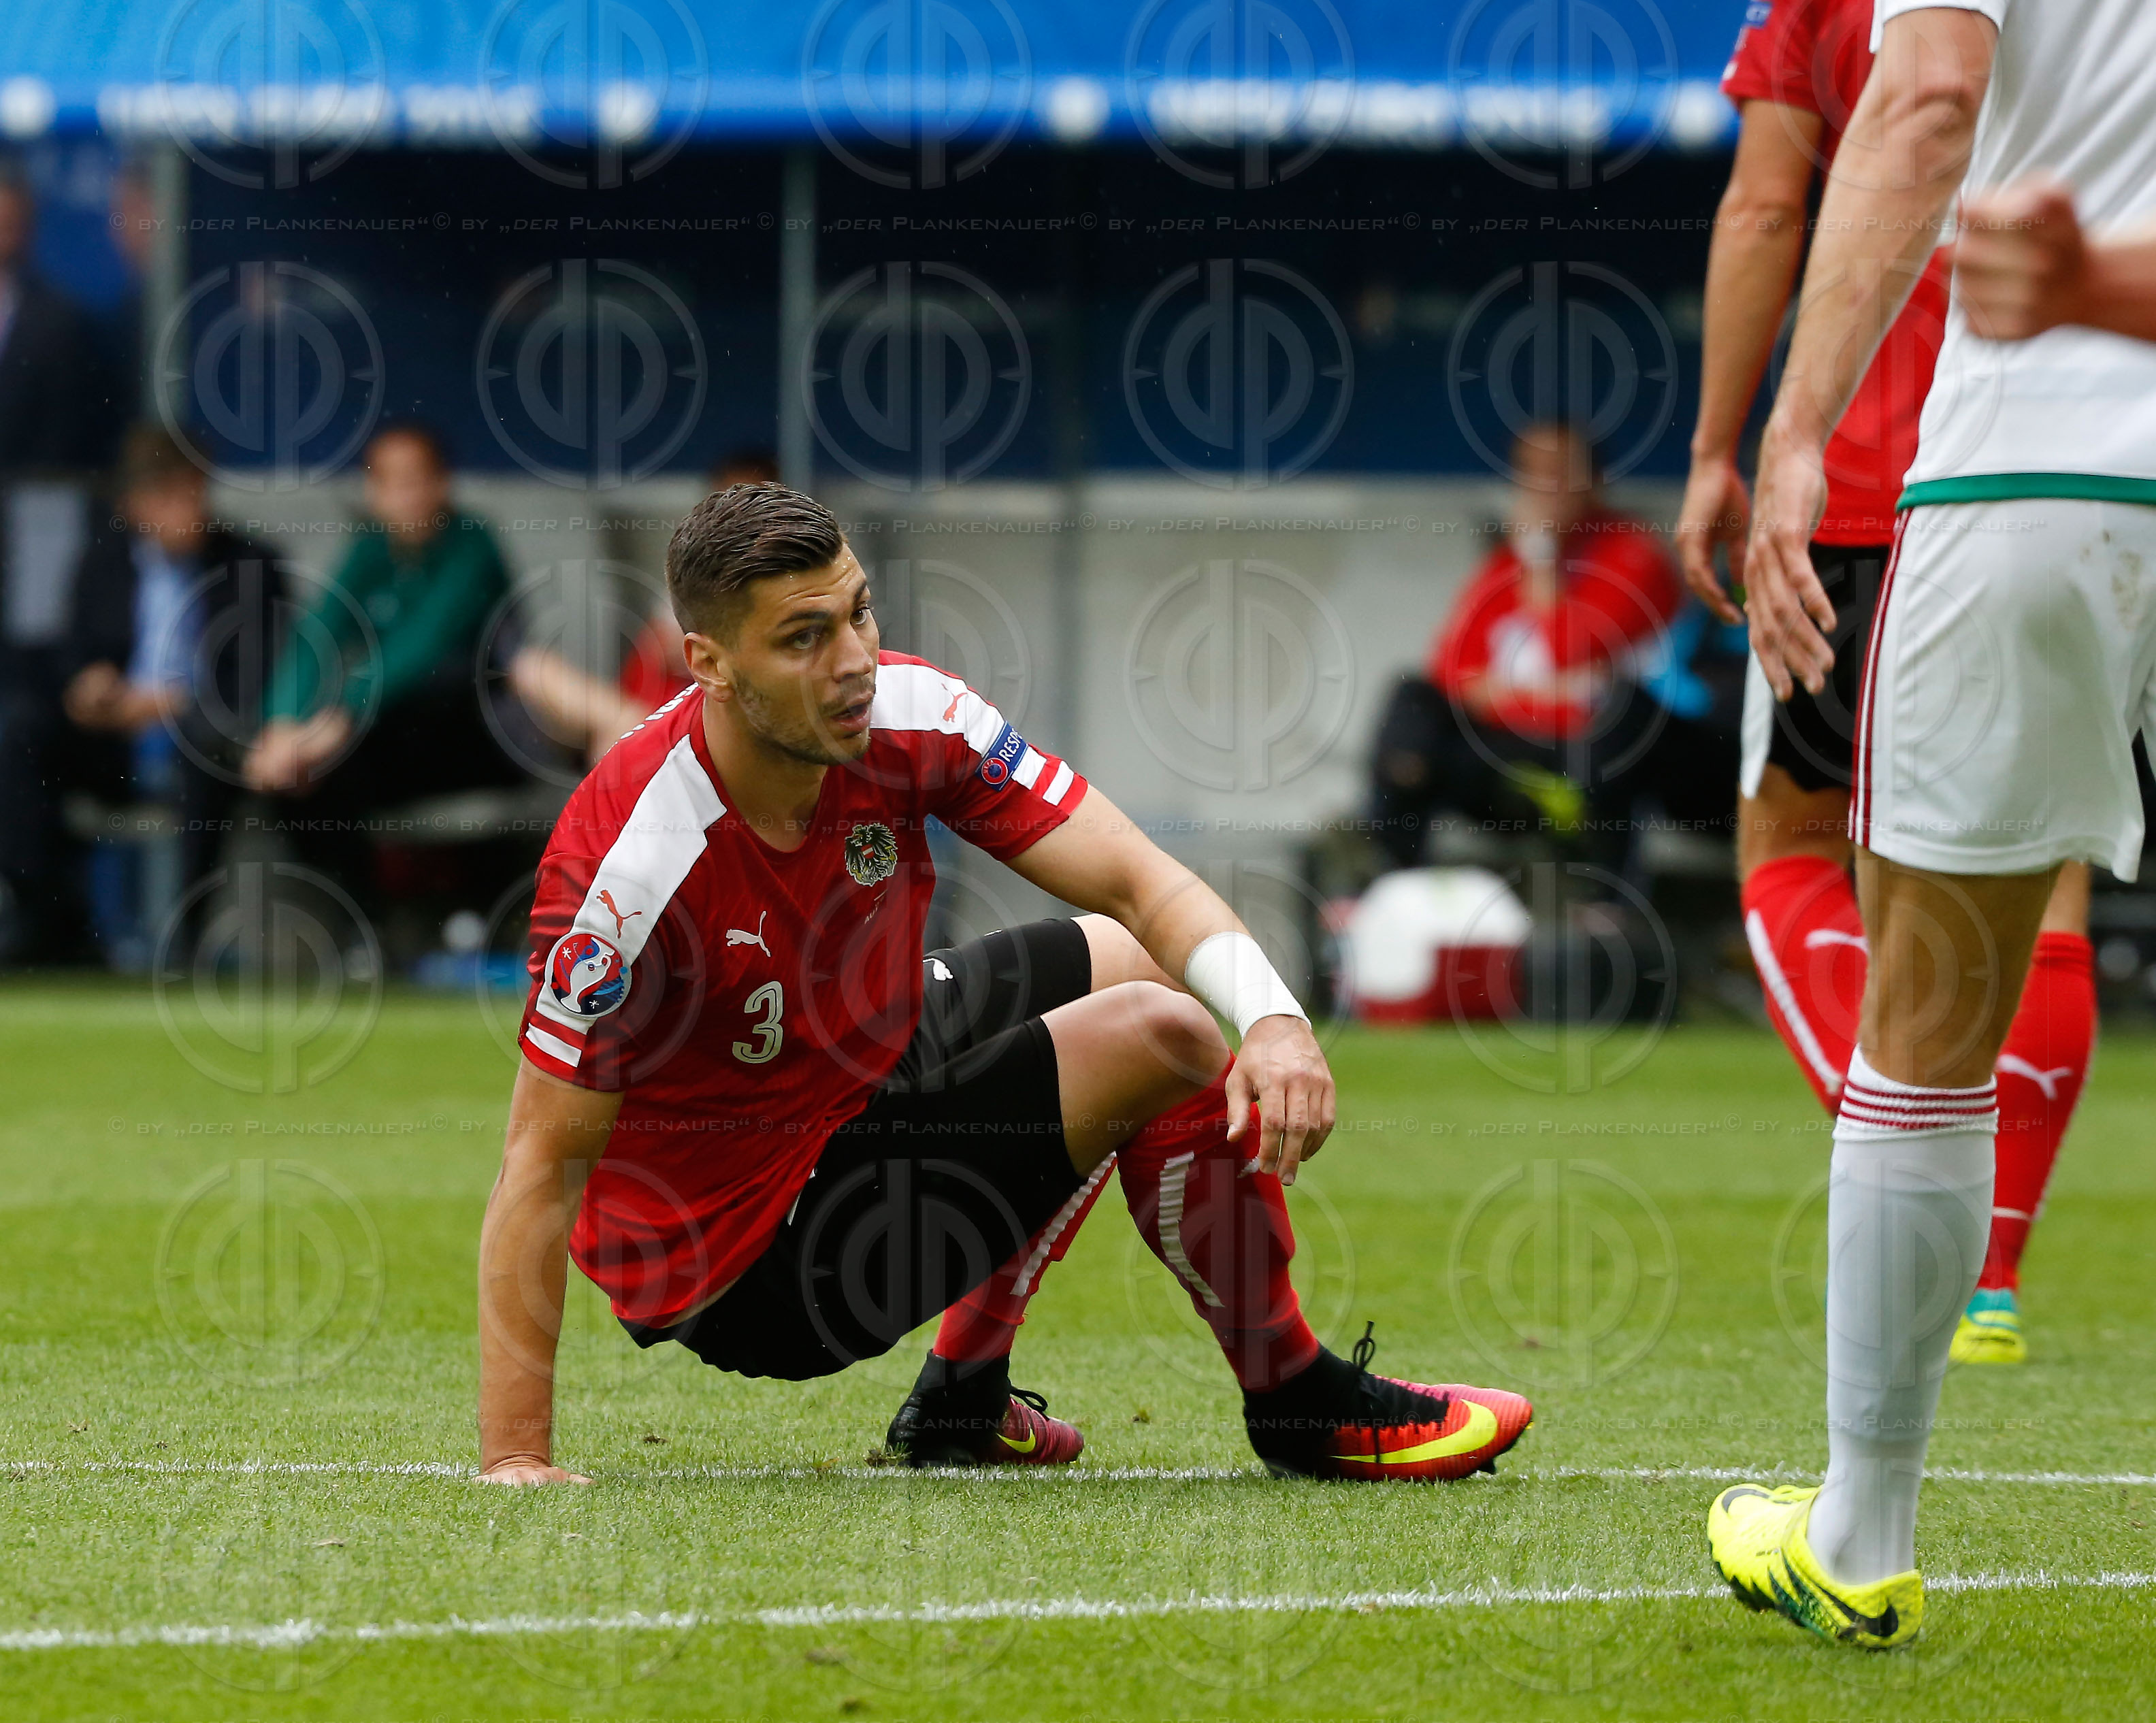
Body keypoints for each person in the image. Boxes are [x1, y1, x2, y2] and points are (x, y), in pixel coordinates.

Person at [475, 483, 1533, 1486]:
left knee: (1138, 957)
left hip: (850, 1074)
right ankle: (1300, 1402)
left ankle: (962, 1398)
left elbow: (1135, 878)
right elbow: (538, 1163)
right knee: (1164, 1036)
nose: (854, 662)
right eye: (804, 638)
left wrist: (1277, 1019)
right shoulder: (630, 869)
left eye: (859, 613)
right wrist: (517, 1456)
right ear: (708, 663)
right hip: (751, 1260)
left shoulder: (907, 712)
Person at [1706, 0, 2156, 1650]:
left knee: (1926, 1012)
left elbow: (1924, 100)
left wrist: (1790, 431)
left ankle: (1858, 1530)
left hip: (2039, 467)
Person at [1680, 0, 2095, 1368]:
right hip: (2085, 467)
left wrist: (1724, 449)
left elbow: (1763, 208)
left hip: (1876, 486)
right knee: (2045, 868)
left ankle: (1926, 1209)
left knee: (1793, 845)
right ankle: (1996, 1276)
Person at [1368, 421, 1680, 865]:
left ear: (1595, 481)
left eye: (1559, 472)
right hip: (1502, 748)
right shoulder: (1507, 564)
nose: (1543, 489)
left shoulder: (1631, 553)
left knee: (1616, 725)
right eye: (1530, 473)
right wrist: (1541, 693)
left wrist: (1542, 562)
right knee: (1413, 703)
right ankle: (1389, 875)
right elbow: (1449, 671)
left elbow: (1568, 652)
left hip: (1580, 758)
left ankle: (1605, 895)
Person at [244, 422, 517, 907]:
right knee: (293, 775)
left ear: (442, 483)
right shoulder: (372, 548)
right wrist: (282, 723)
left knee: (331, 763)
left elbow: (422, 646)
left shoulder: (472, 545)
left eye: (414, 478)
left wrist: (339, 719)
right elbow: (318, 634)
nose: (403, 494)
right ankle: (353, 919)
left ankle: (384, 919)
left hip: (473, 737)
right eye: (388, 481)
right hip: (386, 734)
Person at [57, 426, 284, 946]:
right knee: (20, 735)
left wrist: (168, 703)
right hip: (112, 739)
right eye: (169, 496)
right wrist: (87, 685)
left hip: (204, 737)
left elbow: (253, 678)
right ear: (135, 503)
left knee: (203, 748)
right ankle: (47, 922)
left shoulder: (250, 565)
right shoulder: (102, 563)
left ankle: (184, 940)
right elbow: (72, 655)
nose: (189, 509)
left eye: (194, 491)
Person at [506, 450, 777, 765]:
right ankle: (626, 734)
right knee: (532, 667)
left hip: (704, 727)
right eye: (724, 504)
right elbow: (655, 651)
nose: (735, 519)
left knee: (621, 745)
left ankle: (630, 744)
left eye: (750, 505)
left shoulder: (786, 582)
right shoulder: (696, 570)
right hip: (641, 711)